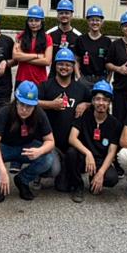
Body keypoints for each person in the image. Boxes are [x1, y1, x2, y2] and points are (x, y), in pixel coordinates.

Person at [0, 81, 56, 203]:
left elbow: (50, 141)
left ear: (35, 105)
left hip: (27, 148)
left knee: (48, 159)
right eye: (21, 104)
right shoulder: (4, 111)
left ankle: (23, 180)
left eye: (29, 106)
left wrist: (40, 151)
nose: (24, 109)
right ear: (16, 101)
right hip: (5, 147)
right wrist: (2, 170)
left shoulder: (39, 113)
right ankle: (0, 183)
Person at [37, 47, 89, 192]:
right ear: (55, 65)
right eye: (60, 64)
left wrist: (86, 104)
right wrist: (50, 104)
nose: (64, 67)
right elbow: (31, 103)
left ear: (73, 67)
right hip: (51, 143)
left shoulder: (81, 88)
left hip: (72, 144)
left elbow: (97, 101)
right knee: (53, 168)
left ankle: (68, 171)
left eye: (67, 64)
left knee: (62, 187)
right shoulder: (46, 85)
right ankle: (38, 174)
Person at [66, 79, 121, 203]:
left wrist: (101, 173)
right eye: (97, 99)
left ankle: (94, 179)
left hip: (100, 160)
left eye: (105, 100)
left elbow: (112, 152)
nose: (101, 103)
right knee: (71, 153)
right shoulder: (84, 115)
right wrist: (88, 153)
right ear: (92, 101)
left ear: (109, 102)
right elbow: (72, 138)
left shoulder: (115, 124)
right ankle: (78, 185)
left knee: (112, 178)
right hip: (83, 157)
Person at [76, 5, 122, 87]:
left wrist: (107, 81)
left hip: (102, 79)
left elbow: (110, 63)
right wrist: (79, 78)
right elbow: (76, 60)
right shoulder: (81, 40)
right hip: (85, 79)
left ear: (102, 22)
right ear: (88, 21)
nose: (95, 23)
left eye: (97, 20)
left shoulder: (107, 41)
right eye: (92, 20)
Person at [12, 5, 53, 89]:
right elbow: (15, 56)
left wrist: (23, 58)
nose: (33, 23)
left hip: (40, 81)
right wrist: (37, 56)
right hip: (22, 79)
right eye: (31, 20)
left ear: (42, 22)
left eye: (37, 20)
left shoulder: (47, 38)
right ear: (27, 22)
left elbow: (47, 61)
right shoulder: (20, 36)